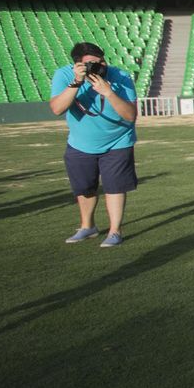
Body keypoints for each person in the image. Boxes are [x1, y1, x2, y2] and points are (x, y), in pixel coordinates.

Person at [48, 42, 139, 247]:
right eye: (90, 64)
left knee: (114, 186)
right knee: (84, 187)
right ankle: (87, 226)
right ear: (77, 64)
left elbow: (130, 115)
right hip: (81, 142)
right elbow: (56, 109)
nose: (98, 67)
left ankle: (115, 231)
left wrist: (108, 92)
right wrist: (76, 82)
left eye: (100, 62)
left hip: (118, 140)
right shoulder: (63, 75)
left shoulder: (121, 76)